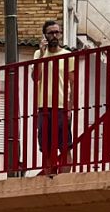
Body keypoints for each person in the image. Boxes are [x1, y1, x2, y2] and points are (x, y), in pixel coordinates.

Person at [30, 20, 76, 175]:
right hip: (43, 107)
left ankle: (64, 179)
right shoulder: (38, 54)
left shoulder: (67, 55)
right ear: (45, 35)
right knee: (46, 147)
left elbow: (72, 83)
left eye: (57, 32)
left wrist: (70, 108)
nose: (55, 36)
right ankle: (50, 177)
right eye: (51, 33)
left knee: (64, 147)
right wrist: (42, 54)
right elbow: (36, 77)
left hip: (62, 107)